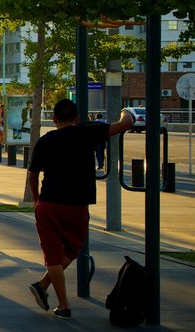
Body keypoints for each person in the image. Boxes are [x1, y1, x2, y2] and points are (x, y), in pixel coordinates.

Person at [27, 100, 134, 319]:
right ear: (77, 118)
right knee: (73, 249)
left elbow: (32, 175)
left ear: (54, 119)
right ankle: (47, 289)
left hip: (48, 204)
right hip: (76, 205)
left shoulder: (45, 140)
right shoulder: (88, 132)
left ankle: (59, 300)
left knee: (53, 256)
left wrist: (37, 201)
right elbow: (126, 123)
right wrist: (125, 111)